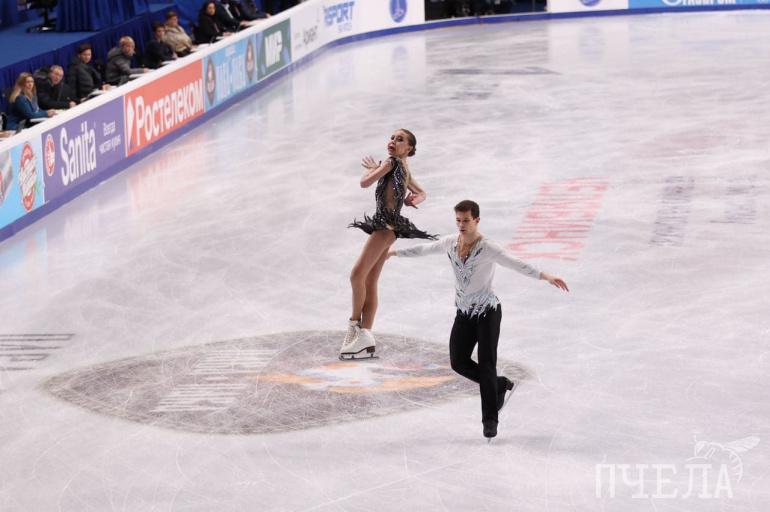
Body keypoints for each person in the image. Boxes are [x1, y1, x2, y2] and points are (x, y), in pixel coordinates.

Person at [388, 200, 569, 439]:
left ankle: (490, 420)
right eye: (458, 220)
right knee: (458, 362)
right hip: (464, 313)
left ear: (477, 220)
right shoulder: (451, 242)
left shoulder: (488, 248)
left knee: (486, 364)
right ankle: (498, 384)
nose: (461, 225)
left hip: (488, 313)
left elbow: (517, 264)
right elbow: (425, 249)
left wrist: (545, 276)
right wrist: (395, 253)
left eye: (466, 220)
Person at [342, 129, 436, 360]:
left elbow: (364, 183)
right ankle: (365, 336)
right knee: (370, 280)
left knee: (356, 275)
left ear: (409, 148)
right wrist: (414, 199)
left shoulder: (392, 162)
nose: (393, 141)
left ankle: (354, 325)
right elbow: (422, 192)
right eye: (392, 138)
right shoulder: (403, 166)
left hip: (385, 228)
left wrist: (374, 169)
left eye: (400, 140)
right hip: (390, 229)